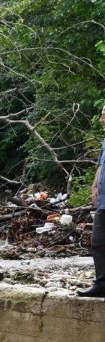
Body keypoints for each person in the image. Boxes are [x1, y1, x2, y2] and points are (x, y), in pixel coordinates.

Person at [77, 104, 105, 297]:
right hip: (104, 200)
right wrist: (95, 185)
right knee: (98, 241)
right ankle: (101, 284)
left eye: (104, 115)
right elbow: (101, 165)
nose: (101, 120)